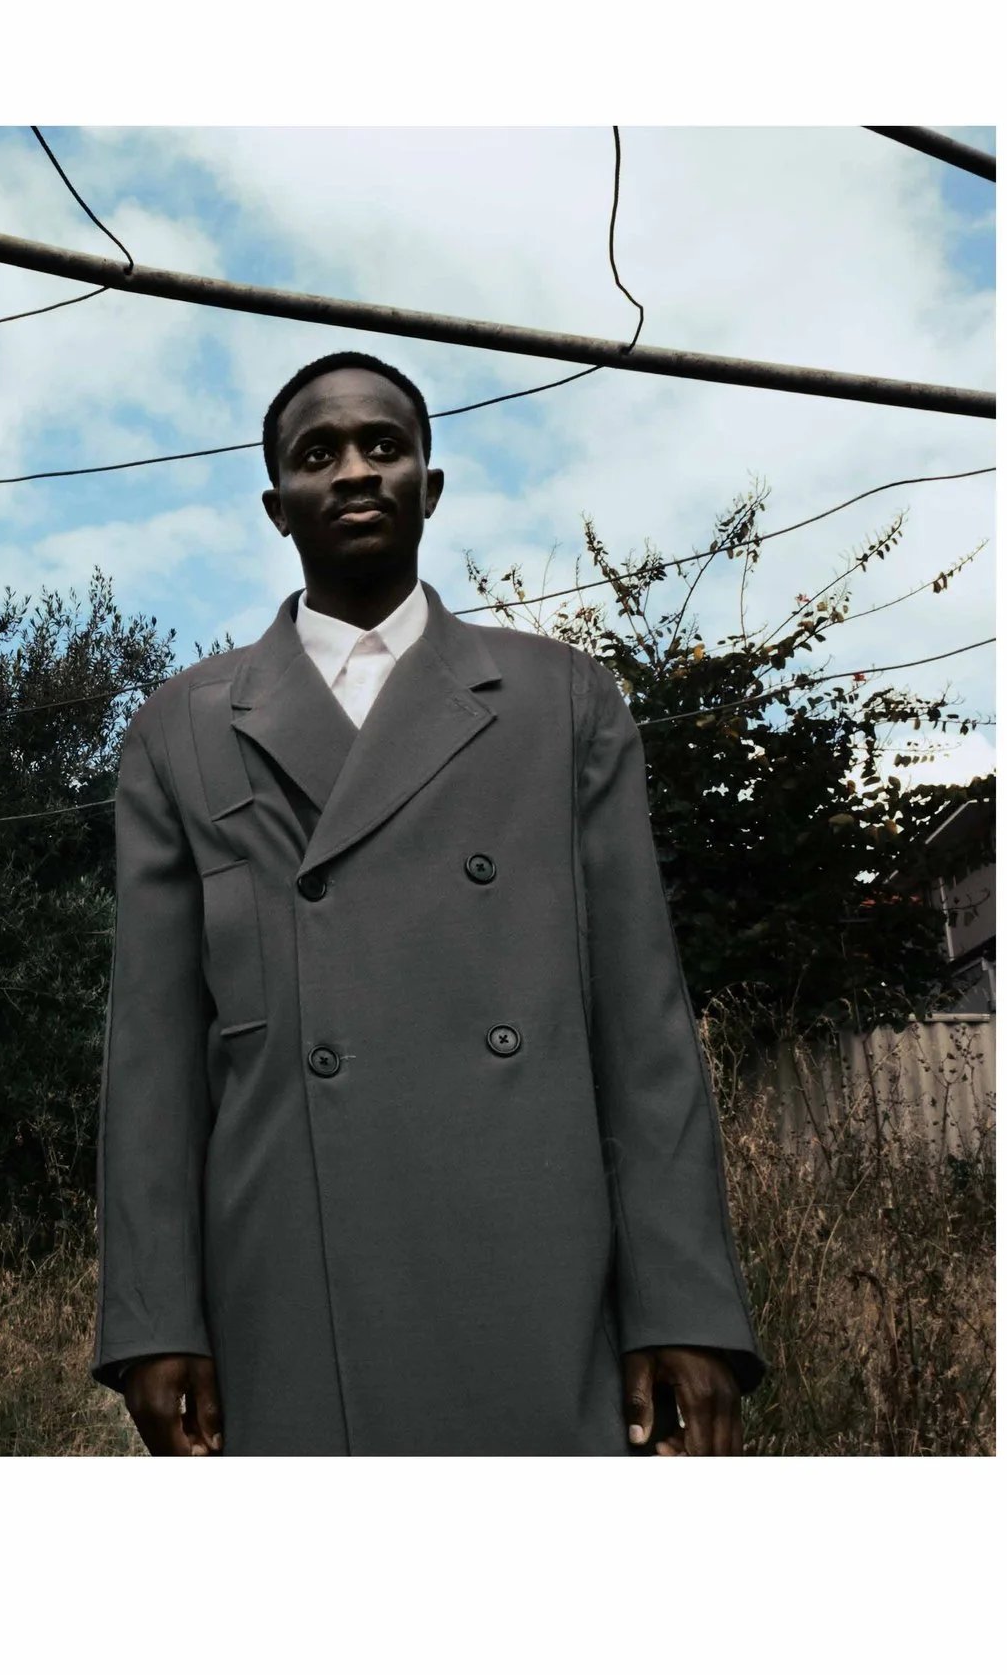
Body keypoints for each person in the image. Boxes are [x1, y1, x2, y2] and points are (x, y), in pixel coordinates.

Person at [93, 350, 763, 1456]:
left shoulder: (561, 699)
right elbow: (153, 1055)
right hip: (287, 1280)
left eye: (383, 446)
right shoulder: (184, 724)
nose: (355, 471)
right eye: (318, 454)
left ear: (429, 487)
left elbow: (643, 1026)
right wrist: (155, 1318)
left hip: (546, 1267)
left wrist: (682, 1303)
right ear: (276, 506)